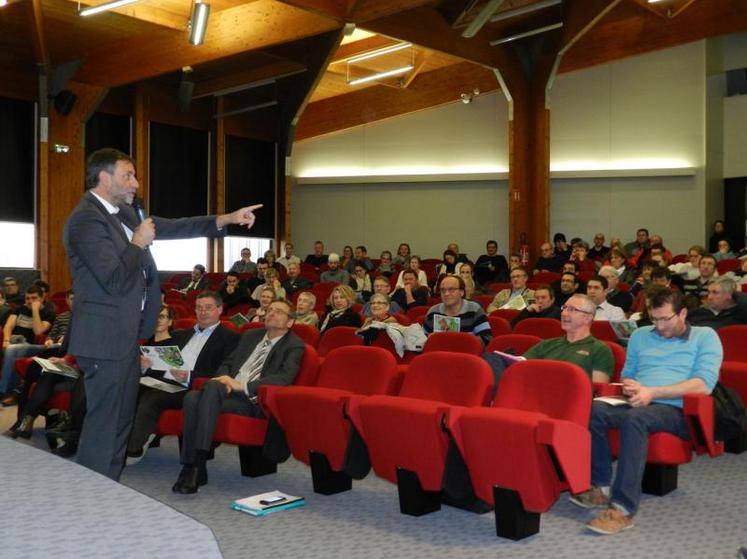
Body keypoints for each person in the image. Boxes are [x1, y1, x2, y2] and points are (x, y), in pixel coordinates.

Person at [63, 147, 261, 481]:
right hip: (104, 335)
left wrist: (225, 219)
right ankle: (92, 493)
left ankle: (108, 486)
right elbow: (111, 278)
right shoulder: (86, 218)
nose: (135, 183)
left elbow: (173, 226)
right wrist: (138, 244)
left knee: (121, 419)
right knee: (105, 421)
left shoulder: (123, 213)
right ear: (104, 177)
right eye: (128, 175)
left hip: (125, 333)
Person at [570, 287, 721, 535]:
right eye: (654, 319)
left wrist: (653, 392)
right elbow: (628, 372)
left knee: (635, 419)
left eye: (665, 319)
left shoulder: (705, 336)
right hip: (639, 399)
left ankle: (622, 508)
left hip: (677, 408)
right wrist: (630, 385)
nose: (659, 326)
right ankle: (600, 488)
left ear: (683, 313)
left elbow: (703, 385)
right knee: (593, 409)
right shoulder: (640, 335)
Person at [172, 299, 304, 494]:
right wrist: (224, 380)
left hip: (253, 401)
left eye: (279, 311)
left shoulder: (294, 345)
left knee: (200, 395)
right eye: (269, 310)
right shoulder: (251, 335)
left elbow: (283, 378)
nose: (272, 313)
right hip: (226, 392)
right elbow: (228, 362)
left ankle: (193, 465)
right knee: (192, 398)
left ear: (290, 322)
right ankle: (194, 465)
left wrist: (240, 386)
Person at [126, 292, 240, 465]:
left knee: (153, 397)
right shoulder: (181, 334)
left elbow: (223, 371)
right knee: (128, 388)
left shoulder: (230, 338)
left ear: (220, 309)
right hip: (165, 382)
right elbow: (164, 364)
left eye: (208, 308)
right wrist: (147, 365)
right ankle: (117, 441)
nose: (203, 312)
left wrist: (190, 376)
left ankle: (132, 449)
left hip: (191, 387)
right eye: (199, 308)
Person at [523, 294, 614, 382]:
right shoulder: (545, 344)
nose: (563, 313)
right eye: (564, 308)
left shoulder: (599, 350)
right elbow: (519, 366)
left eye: (571, 309)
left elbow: (598, 390)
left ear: (587, 318)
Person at [0, 284, 56, 398]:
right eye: (28, 298)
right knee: (12, 349)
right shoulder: (20, 309)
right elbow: (8, 326)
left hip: (36, 347)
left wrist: (35, 311)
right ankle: (13, 390)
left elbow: (38, 331)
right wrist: (6, 340)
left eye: (34, 298)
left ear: (42, 298)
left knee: (12, 350)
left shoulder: (49, 313)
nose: (30, 301)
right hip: (14, 342)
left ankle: (3, 390)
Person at [423, 275, 491, 345]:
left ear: (461, 292)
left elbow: (487, 338)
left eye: (451, 290)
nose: (446, 294)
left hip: (465, 353)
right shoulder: (433, 311)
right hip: (439, 352)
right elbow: (422, 338)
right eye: (443, 290)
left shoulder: (474, 309)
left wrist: (459, 339)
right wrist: (429, 338)